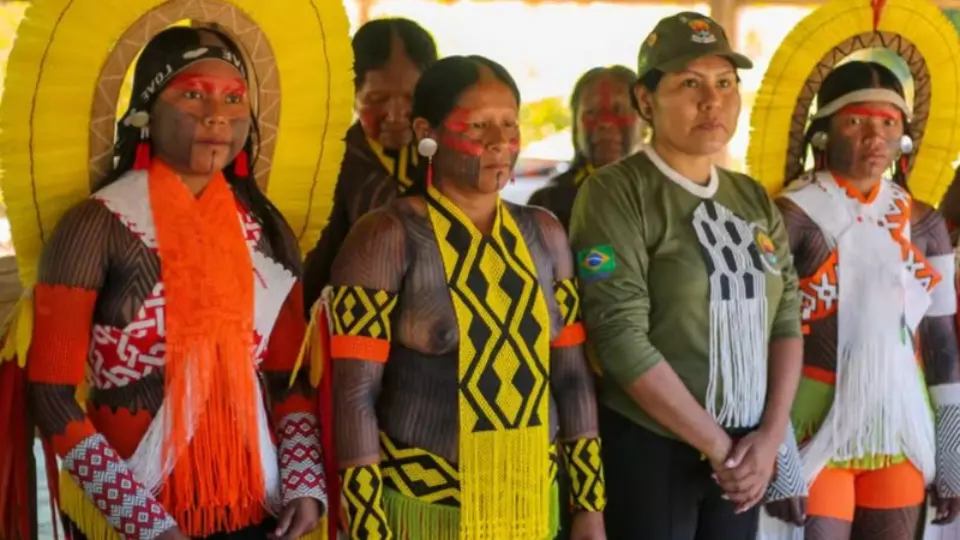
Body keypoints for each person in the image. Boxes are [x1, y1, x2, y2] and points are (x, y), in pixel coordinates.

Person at [2, 26, 331, 539]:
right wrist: (143, 520)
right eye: (193, 94)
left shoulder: (266, 228)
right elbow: (51, 393)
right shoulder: (97, 225)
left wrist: (306, 483)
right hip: (130, 507)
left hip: (256, 506)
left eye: (234, 98)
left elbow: (287, 377)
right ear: (146, 113)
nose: (216, 114)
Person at [322, 55, 606, 540]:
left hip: (533, 506)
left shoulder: (546, 234)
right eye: (477, 126)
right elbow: (354, 394)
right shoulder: (386, 236)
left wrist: (590, 506)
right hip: (422, 512)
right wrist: (367, 524)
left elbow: (573, 377)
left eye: (509, 124)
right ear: (425, 132)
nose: (499, 143)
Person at [569, 12, 807, 540]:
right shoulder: (617, 192)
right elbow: (619, 338)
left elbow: (786, 318)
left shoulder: (749, 198)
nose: (713, 101)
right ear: (646, 101)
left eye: (725, 84)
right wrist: (720, 447)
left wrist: (768, 440)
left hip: (744, 454)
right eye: (690, 84)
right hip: (654, 449)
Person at [770, 60, 960, 539]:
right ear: (823, 133)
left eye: (888, 123)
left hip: (900, 425)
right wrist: (779, 452)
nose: (874, 137)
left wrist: (953, 451)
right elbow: (761, 339)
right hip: (811, 424)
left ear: (904, 139)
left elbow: (940, 343)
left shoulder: (925, 224)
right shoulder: (791, 217)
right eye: (855, 121)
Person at [302, 18, 438, 311]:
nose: (396, 113)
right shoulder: (327, 167)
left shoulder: (447, 160)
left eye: (411, 98)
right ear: (352, 95)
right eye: (377, 99)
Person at [528, 66, 645, 230]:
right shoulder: (547, 206)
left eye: (618, 109)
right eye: (591, 112)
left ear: (645, 120)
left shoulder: (669, 195)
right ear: (575, 125)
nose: (605, 121)